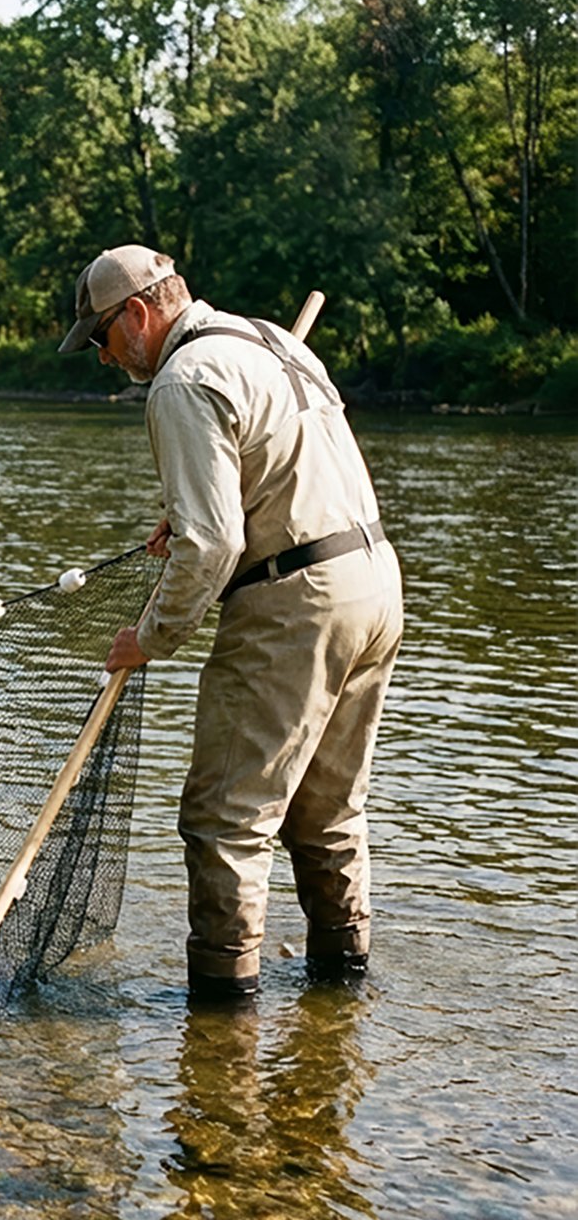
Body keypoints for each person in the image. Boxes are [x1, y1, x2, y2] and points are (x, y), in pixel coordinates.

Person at [60, 246, 402, 1000]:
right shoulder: (269, 339)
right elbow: (278, 467)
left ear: (139, 315)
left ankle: (221, 1014)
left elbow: (214, 545)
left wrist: (147, 639)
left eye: (101, 339)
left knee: (224, 818)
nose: (103, 357)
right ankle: (342, 989)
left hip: (296, 605)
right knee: (328, 810)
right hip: (373, 585)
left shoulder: (183, 380)